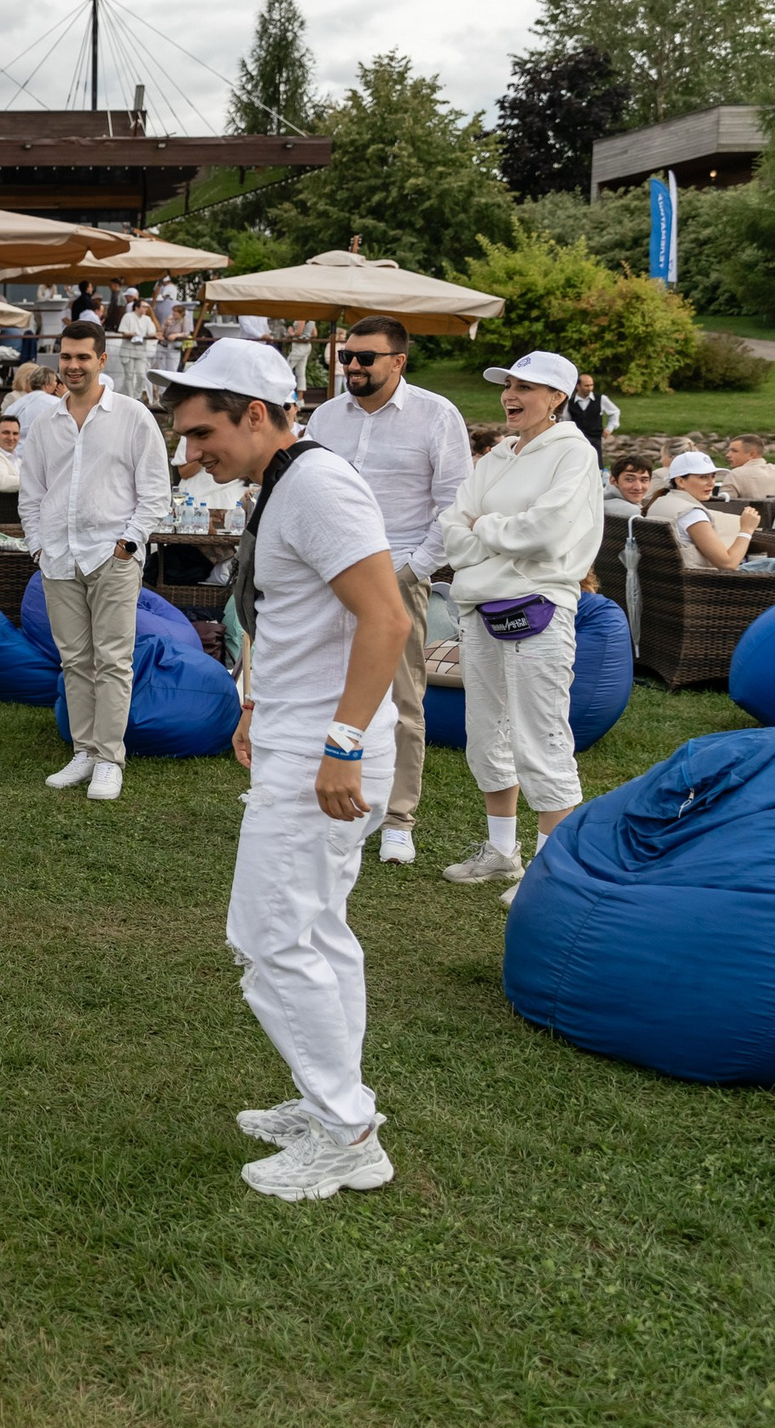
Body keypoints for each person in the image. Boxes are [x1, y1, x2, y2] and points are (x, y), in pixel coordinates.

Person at [154, 338, 411, 1201]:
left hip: (325, 752)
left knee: (270, 936)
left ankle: (346, 1135)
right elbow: (295, 616)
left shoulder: (319, 486)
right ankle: (329, 1100)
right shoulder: (287, 483)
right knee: (317, 932)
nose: (192, 454)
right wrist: (259, 706)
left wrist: (339, 744)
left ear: (254, 414)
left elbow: (388, 620)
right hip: (301, 735)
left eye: (200, 434)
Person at [433, 351, 604, 899]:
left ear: (557, 397)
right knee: (485, 734)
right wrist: (496, 536)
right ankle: (502, 853)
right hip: (479, 607)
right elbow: (452, 529)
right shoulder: (497, 455)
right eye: (508, 385)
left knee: (541, 737)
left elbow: (549, 533)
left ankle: (550, 873)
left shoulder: (573, 452)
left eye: (526, 387)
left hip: (541, 608)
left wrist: (485, 530)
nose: (511, 395)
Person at [303, 315, 471, 865]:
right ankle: (317, 791)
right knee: (322, 683)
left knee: (403, 699)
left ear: (398, 361)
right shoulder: (326, 416)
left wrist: (417, 568)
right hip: (327, 571)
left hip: (397, 570)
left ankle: (398, 817)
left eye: (365, 357)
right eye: (347, 356)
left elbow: (455, 503)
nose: (351, 365)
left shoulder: (436, 415)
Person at [19, 319, 169, 801]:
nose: (73, 365)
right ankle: (84, 751)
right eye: (66, 357)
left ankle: (109, 758)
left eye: (83, 357)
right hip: (59, 558)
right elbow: (32, 493)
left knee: (114, 661)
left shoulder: (132, 416)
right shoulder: (46, 422)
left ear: (102, 360)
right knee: (74, 660)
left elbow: (154, 492)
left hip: (113, 555)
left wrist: (130, 542)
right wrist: (38, 546)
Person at [650, 452, 775, 574]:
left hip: (674, 582)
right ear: (680, 481)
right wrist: (746, 529)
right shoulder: (692, 515)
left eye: (713, 476)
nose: (711, 483)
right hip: (708, 584)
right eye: (703, 477)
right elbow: (728, 564)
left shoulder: (660, 503)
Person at [716, 434, 775, 502]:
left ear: (752, 454)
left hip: (751, 524)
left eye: (734, 451)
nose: (728, 455)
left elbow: (724, 504)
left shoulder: (735, 475)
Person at [113, 293, 160, 401]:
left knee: (142, 376)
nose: (145, 309)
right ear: (137, 307)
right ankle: (130, 398)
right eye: (143, 307)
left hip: (140, 351)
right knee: (129, 376)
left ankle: (137, 396)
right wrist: (131, 334)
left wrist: (156, 335)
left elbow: (151, 332)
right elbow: (123, 332)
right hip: (128, 350)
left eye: (146, 307)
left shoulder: (147, 319)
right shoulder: (128, 316)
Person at [565, 372, 618, 458]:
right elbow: (565, 419)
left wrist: (609, 428)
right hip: (578, 439)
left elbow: (614, 412)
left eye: (591, 385)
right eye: (586, 386)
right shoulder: (570, 403)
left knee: (596, 462)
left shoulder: (601, 399)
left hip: (595, 439)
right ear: (578, 386)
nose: (590, 388)